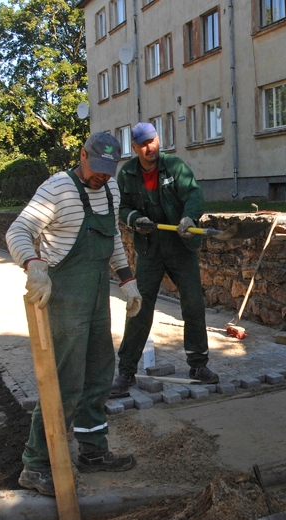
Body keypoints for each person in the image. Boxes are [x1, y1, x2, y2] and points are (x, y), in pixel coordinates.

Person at [6, 132, 143, 496]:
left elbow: (113, 238)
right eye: (96, 168)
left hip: (97, 294)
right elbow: (18, 230)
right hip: (65, 296)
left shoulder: (111, 190)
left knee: (99, 374)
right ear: (82, 155)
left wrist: (127, 280)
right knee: (65, 382)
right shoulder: (57, 189)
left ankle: (93, 451)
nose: (101, 176)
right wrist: (33, 264)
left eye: (108, 170)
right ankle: (36, 464)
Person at [110, 122, 219, 398]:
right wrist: (135, 219)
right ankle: (126, 371)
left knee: (193, 304)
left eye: (153, 141)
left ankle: (198, 365)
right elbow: (123, 207)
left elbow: (193, 194)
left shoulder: (175, 167)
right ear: (134, 148)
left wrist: (189, 218)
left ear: (158, 140)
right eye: (143, 144)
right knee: (139, 305)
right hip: (150, 248)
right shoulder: (128, 174)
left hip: (180, 245)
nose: (150, 148)